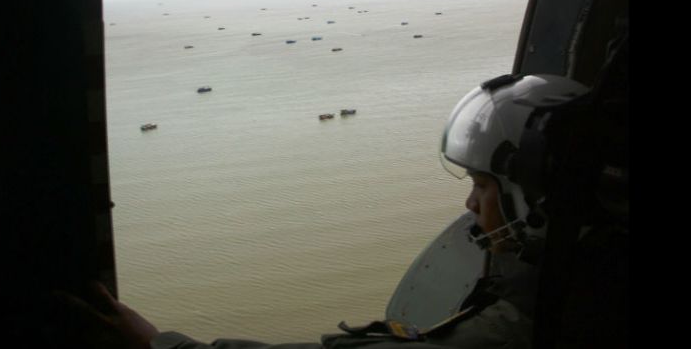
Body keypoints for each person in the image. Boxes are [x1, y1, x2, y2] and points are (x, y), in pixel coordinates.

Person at [53, 73, 590, 349]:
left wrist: (158, 344)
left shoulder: (514, 332)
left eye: (482, 185)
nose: (471, 204)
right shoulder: (581, 290)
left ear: (535, 201)